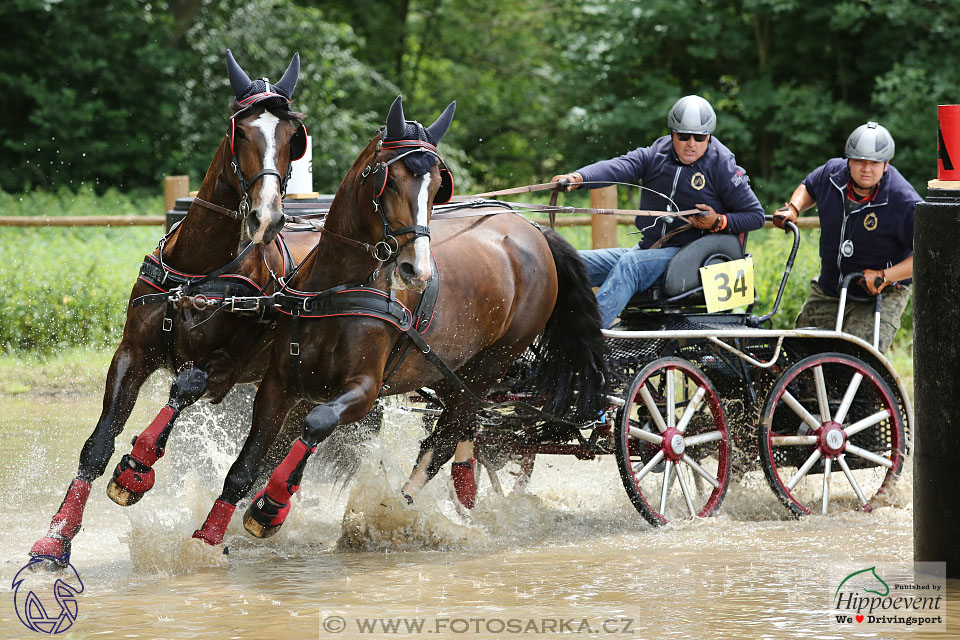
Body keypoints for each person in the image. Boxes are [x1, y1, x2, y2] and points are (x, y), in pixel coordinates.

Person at [552, 95, 765, 328]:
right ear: (673, 133)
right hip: (649, 250)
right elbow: (618, 166)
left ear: (709, 136)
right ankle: (546, 328)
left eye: (700, 137)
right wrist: (578, 178)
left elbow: (755, 216)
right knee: (568, 261)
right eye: (683, 136)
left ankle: (585, 337)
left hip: (692, 260)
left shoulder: (722, 165)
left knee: (631, 264)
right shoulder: (656, 153)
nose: (691, 143)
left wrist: (718, 222)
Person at [773, 121, 920, 353]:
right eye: (860, 161)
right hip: (831, 287)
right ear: (848, 160)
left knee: (856, 359)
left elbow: (927, 255)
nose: (866, 169)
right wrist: (794, 208)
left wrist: (885, 276)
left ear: (886, 165)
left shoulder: (903, 200)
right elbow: (809, 187)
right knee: (800, 355)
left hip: (880, 292)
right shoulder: (832, 173)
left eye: (874, 163)